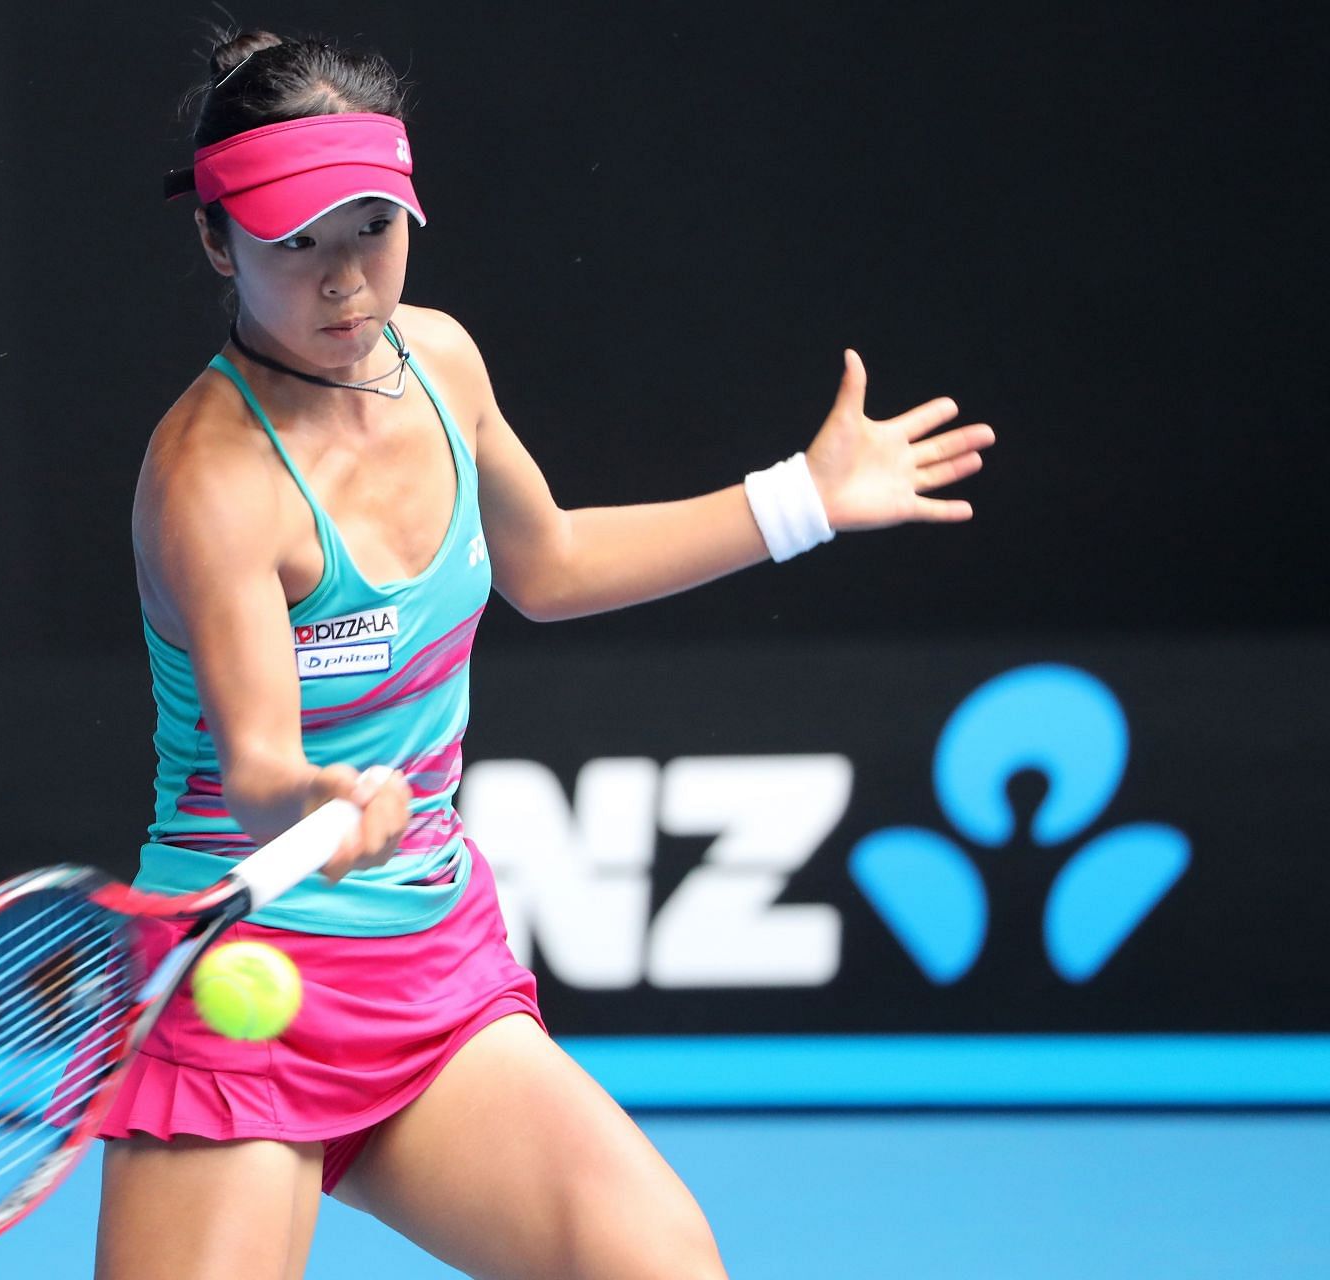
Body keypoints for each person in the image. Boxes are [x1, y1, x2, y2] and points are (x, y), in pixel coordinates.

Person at [97, 29, 994, 1280]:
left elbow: (551, 561)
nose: (345, 278)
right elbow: (258, 766)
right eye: (293, 241)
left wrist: (803, 500)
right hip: (244, 971)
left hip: (425, 960)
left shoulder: (442, 359)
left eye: (369, 227)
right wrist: (319, 795)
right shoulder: (211, 480)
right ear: (215, 239)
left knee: (661, 1263)